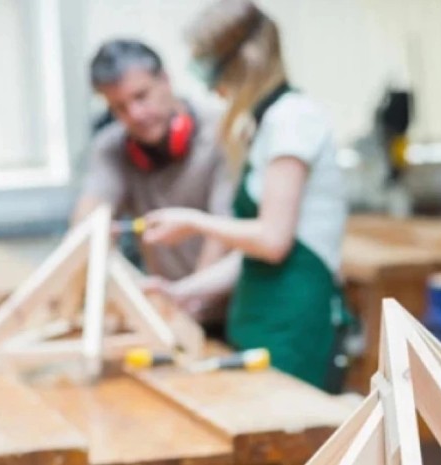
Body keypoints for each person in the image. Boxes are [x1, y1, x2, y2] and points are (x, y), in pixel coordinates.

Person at [140, 0, 350, 392]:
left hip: (295, 327)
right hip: (260, 322)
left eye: (209, 67)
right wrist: (183, 291)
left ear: (244, 63)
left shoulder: (293, 119)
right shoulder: (267, 124)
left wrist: (193, 222)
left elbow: (272, 240)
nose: (208, 84)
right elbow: (253, 255)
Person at [74, 39, 234, 326]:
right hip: (170, 313)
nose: (134, 114)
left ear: (165, 80)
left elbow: (223, 231)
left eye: (141, 96)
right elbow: (85, 229)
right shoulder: (111, 148)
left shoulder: (223, 133)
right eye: (119, 107)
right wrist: (135, 295)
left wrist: (189, 300)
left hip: (229, 309)